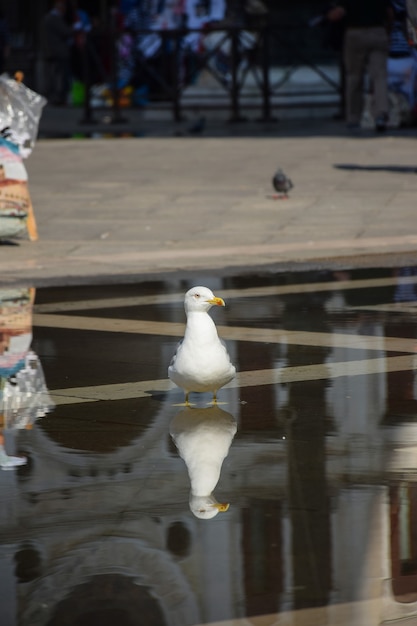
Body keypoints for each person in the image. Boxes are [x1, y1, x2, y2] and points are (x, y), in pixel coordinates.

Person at [328, 0, 392, 131]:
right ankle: (381, 113)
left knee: (354, 76)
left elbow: (338, 13)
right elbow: (390, 12)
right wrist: (387, 30)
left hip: (354, 32)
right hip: (378, 31)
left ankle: (353, 117)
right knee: (379, 76)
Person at [40, 0, 73, 105]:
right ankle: (57, 97)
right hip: (57, 51)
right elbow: (65, 32)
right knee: (58, 75)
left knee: (55, 75)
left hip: (52, 51)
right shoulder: (53, 18)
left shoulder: (49, 18)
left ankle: (56, 97)